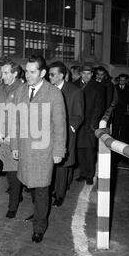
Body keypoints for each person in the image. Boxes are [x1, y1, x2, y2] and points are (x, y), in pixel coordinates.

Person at [10, 55, 66, 243]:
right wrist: (15, 145)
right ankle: (38, 213)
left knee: (41, 188)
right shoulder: (20, 91)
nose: (28, 75)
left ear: (42, 73)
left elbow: (60, 125)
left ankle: (39, 227)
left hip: (44, 151)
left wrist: (59, 151)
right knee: (31, 186)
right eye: (26, 71)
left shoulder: (53, 94)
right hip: (25, 149)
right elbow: (16, 122)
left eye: (32, 71)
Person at [48, 61, 84, 206]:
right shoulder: (47, 90)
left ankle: (59, 195)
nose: (49, 77)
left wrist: (67, 128)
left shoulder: (75, 91)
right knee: (50, 164)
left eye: (52, 74)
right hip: (48, 134)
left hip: (66, 134)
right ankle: (50, 190)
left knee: (62, 166)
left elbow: (79, 116)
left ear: (61, 75)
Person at [0, 59, 23, 218]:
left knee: (14, 173)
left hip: (16, 138)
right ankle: (17, 195)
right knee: (8, 171)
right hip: (1, 137)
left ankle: (13, 206)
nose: (1, 75)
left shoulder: (23, 89)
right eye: (1, 72)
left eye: (5, 72)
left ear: (15, 73)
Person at [74, 64, 105, 185]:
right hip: (77, 123)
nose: (86, 76)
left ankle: (90, 175)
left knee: (89, 149)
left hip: (90, 122)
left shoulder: (98, 86)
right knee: (79, 149)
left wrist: (94, 122)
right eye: (84, 73)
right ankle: (82, 173)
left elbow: (99, 106)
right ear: (80, 73)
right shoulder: (74, 85)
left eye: (89, 73)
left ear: (92, 74)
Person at [112, 73, 129, 144]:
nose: (122, 81)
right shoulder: (114, 87)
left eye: (124, 80)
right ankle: (114, 142)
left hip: (125, 111)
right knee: (115, 127)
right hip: (116, 111)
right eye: (121, 80)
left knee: (124, 127)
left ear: (126, 81)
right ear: (118, 80)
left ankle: (122, 143)